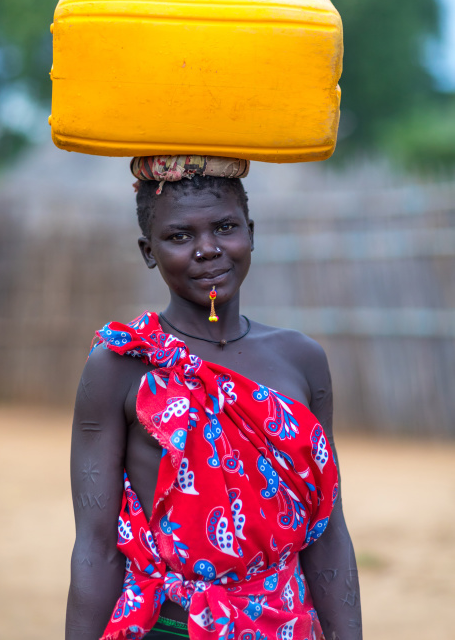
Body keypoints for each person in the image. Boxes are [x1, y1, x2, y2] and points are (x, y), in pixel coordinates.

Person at [66, 156, 362, 640]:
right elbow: (96, 546)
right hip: (170, 628)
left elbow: (327, 531)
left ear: (251, 232)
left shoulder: (301, 359)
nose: (207, 250)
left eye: (225, 227)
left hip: (285, 627)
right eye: (180, 236)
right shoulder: (122, 365)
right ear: (148, 250)